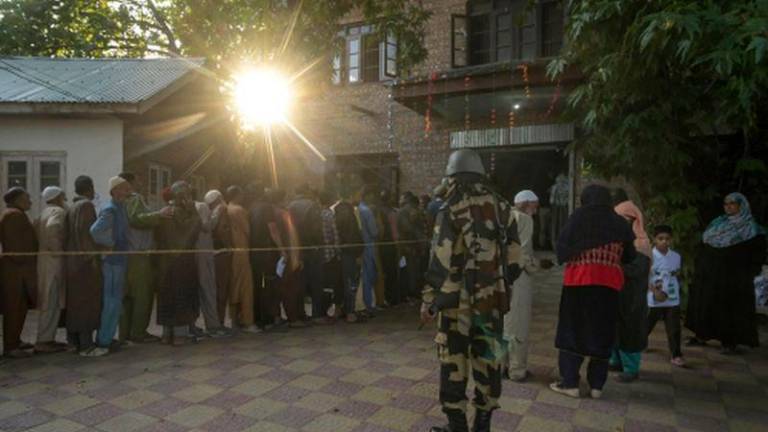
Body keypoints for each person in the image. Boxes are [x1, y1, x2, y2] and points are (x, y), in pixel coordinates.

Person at [422, 149, 522, 432]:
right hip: (492, 303)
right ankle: (483, 425)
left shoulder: (450, 207)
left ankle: (456, 426)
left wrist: (429, 299)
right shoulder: (503, 207)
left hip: (455, 304)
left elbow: (440, 261)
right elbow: (514, 259)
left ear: (453, 176)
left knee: (453, 361)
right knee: (488, 360)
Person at [550, 185, 636, 399]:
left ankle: (570, 383)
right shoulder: (619, 223)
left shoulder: (578, 218)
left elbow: (561, 247)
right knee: (602, 332)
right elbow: (630, 256)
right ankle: (597, 386)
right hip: (608, 287)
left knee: (573, 331)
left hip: (578, 283)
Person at [686, 192, 766, 354]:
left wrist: (747, 273)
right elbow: (705, 243)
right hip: (709, 273)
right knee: (706, 303)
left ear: (741, 206)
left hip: (733, 277)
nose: (728, 207)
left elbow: (756, 255)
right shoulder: (718, 223)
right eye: (726, 204)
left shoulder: (751, 228)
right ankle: (702, 335)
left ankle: (729, 342)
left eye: (733, 204)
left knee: (729, 308)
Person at [503, 190, 553, 382]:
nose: (537, 209)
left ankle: (500, 367)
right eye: (535, 205)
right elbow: (521, 255)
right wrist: (539, 264)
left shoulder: (504, 216)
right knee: (518, 325)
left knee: (504, 325)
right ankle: (517, 370)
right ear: (526, 204)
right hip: (518, 279)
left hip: (501, 278)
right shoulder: (524, 219)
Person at [119, 172, 171, 344]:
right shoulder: (134, 198)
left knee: (127, 297)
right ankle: (138, 332)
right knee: (142, 295)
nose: (140, 182)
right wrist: (159, 215)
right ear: (130, 182)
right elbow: (136, 219)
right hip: (139, 254)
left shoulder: (118, 201)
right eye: (137, 180)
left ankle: (125, 333)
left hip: (125, 253)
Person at [89, 176, 133, 356]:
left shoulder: (121, 208)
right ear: (114, 191)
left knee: (116, 301)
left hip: (120, 260)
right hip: (112, 262)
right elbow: (95, 231)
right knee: (111, 301)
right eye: (124, 188)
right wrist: (110, 243)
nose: (128, 191)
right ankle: (104, 341)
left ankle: (108, 337)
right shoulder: (110, 209)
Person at [155, 181, 202, 345]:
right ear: (183, 196)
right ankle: (180, 336)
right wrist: (193, 210)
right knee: (182, 294)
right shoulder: (182, 213)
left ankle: (166, 335)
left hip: (165, 262)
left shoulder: (163, 212)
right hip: (182, 262)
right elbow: (194, 229)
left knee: (167, 296)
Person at [610, 199, 652, 383]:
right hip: (617, 291)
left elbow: (637, 270)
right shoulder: (617, 240)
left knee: (630, 330)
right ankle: (616, 361)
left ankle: (631, 368)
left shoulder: (641, 244)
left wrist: (615, 265)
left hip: (633, 295)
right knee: (615, 326)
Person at [65, 176, 102, 355]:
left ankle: (73, 342)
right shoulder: (86, 205)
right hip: (83, 264)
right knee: (86, 303)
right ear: (90, 188)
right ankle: (86, 345)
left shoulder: (71, 207)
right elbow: (86, 233)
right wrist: (92, 258)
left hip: (72, 263)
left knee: (75, 304)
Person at [0, 187, 38, 358]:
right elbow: (15, 246)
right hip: (16, 271)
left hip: (19, 270)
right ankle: (10, 346)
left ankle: (16, 340)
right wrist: (26, 260)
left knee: (20, 306)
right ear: (16, 200)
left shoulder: (15, 214)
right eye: (26, 197)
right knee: (13, 307)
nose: (30, 200)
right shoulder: (13, 216)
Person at [34, 186, 68, 354]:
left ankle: (47, 339)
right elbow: (53, 228)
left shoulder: (43, 212)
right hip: (53, 262)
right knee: (51, 302)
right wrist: (59, 250)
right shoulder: (57, 212)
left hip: (43, 261)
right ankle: (44, 341)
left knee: (47, 301)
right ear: (57, 197)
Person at [288, 184, 328, 323]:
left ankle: (301, 314)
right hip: (313, 248)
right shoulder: (312, 205)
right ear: (306, 191)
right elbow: (316, 229)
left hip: (297, 248)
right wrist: (319, 243)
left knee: (300, 283)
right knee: (316, 282)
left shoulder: (290, 206)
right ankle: (317, 314)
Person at [647, 225, 685, 367]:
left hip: (671, 295)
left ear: (671, 240)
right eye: (660, 238)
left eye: (667, 239)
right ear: (654, 239)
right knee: (647, 322)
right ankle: (639, 343)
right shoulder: (649, 256)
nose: (664, 242)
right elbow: (646, 275)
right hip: (654, 294)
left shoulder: (676, 256)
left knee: (674, 326)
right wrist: (652, 288)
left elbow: (676, 272)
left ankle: (676, 354)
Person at [249, 184, 285, 328]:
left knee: (258, 285)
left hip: (254, 252)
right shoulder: (267, 208)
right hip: (267, 252)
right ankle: (270, 318)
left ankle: (259, 318)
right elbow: (273, 229)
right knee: (270, 285)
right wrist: (282, 249)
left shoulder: (252, 208)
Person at [194, 191, 227, 337]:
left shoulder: (193, 207)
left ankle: (193, 326)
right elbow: (207, 226)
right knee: (208, 289)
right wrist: (218, 213)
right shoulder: (202, 207)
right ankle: (213, 327)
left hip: (193, 253)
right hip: (204, 253)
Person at [226, 186, 259, 333]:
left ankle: (234, 320)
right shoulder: (239, 210)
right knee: (246, 288)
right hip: (242, 252)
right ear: (237, 195)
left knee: (234, 287)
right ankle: (248, 321)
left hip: (232, 253)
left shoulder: (227, 208)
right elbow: (248, 230)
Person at [272, 188, 305, 328]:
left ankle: (278, 317)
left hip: (275, 257)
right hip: (288, 256)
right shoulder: (284, 214)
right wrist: (297, 257)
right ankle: (293, 318)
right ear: (284, 198)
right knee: (291, 288)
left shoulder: (271, 213)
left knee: (278, 288)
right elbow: (293, 236)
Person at [332, 184, 364, 323]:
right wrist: (358, 253)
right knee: (351, 282)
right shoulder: (350, 212)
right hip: (349, 252)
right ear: (353, 195)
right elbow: (354, 234)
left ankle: (338, 310)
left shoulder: (334, 209)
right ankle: (350, 312)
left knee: (338, 282)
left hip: (337, 252)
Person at [398, 192, 427, 302]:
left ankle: (409, 293)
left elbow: (411, 229)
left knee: (408, 270)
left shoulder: (403, 211)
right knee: (412, 270)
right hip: (411, 246)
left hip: (408, 246)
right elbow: (412, 229)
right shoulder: (413, 211)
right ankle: (411, 293)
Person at [319, 190, 343, 320]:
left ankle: (323, 310)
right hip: (331, 253)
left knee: (324, 284)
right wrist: (338, 251)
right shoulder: (330, 215)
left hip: (320, 254)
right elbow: (336, 235)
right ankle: (337, 310)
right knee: (336, 283)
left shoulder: (316, 214)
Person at [377, 190, 400, 306]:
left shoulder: (379, 211)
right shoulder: (391, 212)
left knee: (384, 272)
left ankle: (386, 297)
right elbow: (395, 232)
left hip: (382, 245)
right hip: (390, 245)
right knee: (392, 271)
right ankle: (392, 297)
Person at [358, 187, 379, 315]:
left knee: (362, 277)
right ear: (368, 196)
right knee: (368, 276)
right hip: (369, 246)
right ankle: (368, 305)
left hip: (359, 246)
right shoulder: (367, 211)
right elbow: (374, 232)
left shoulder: (357, 209)